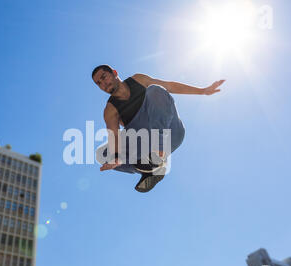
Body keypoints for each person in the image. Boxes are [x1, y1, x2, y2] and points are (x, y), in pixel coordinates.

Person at [92, 65, 225, 192]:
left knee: (155, 90)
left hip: (171, 133)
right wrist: (116, 158)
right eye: (98, 83)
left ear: (114, 73)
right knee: (102, 154)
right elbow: (114, 136)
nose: (103, 84)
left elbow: (169, 86)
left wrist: (203, 91)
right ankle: (148, 169)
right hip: (145, 143)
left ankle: (157, 155)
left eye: (104, 77)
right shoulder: (110, 110)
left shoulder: (138, 80)